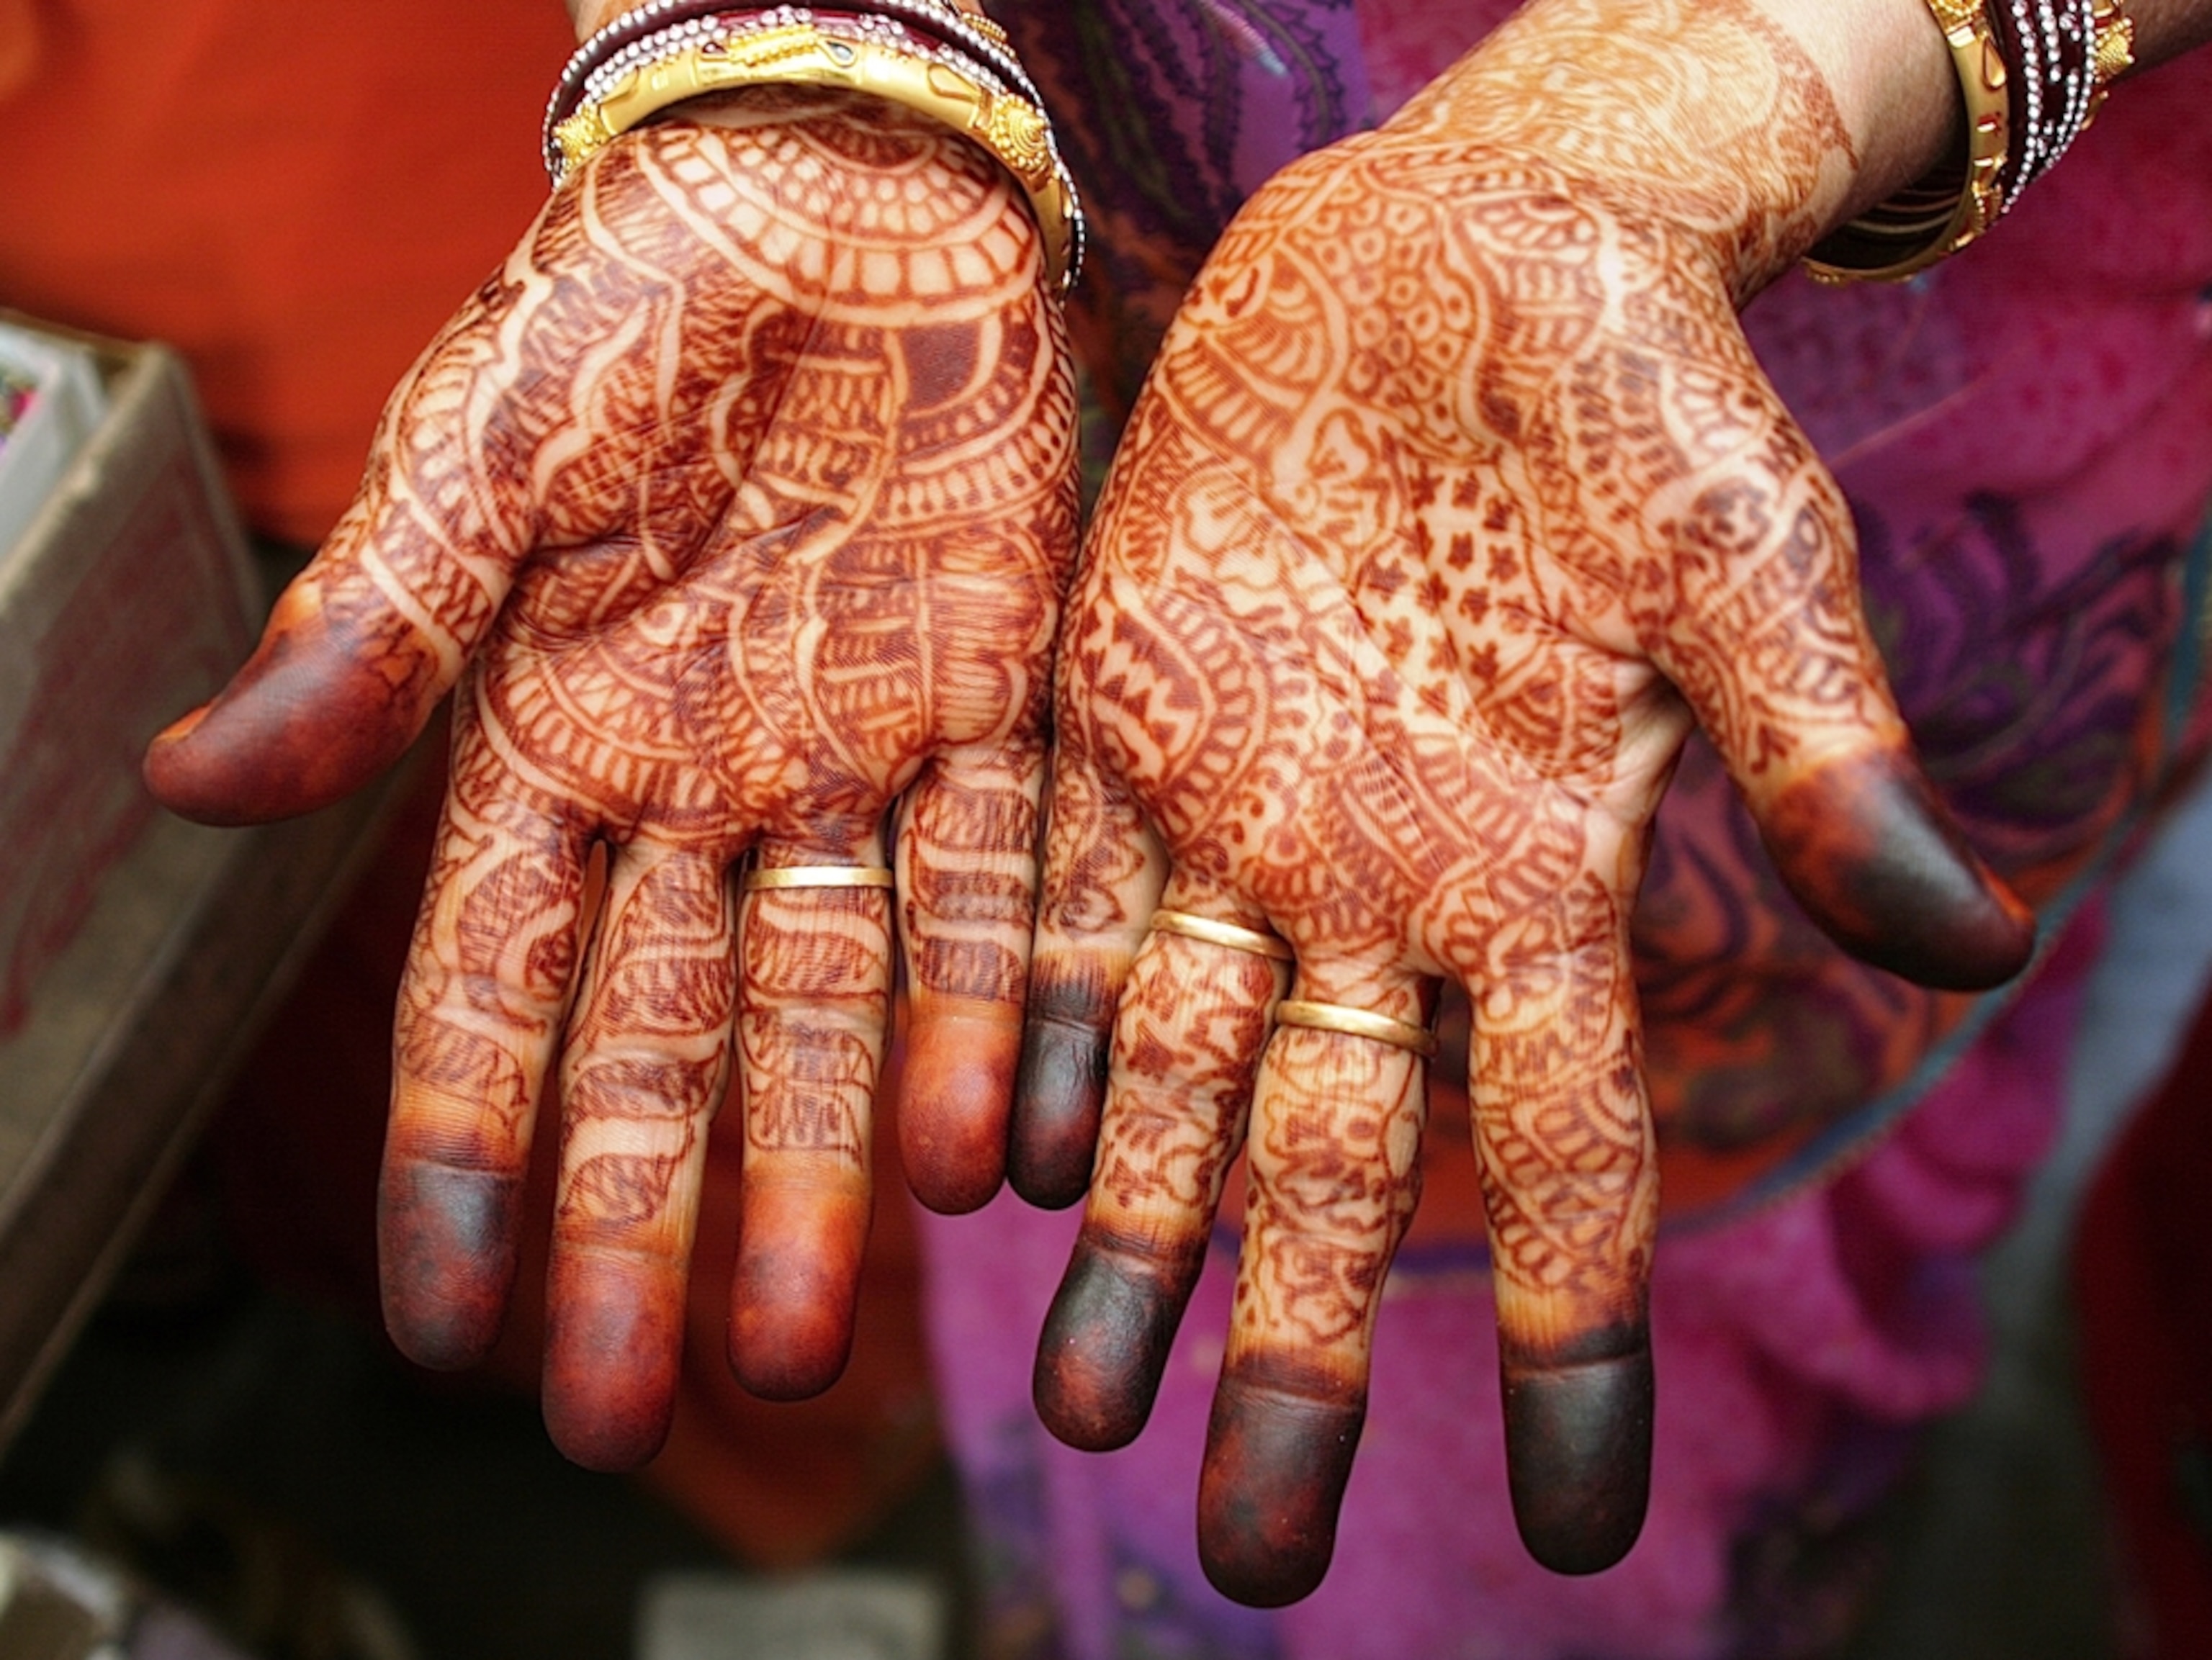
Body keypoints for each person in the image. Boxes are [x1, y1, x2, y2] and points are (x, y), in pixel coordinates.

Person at [20, 0, 2212, 1654]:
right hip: (1051, 516)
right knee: (1056, 1135)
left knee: (1594, 1394)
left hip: (1868, 500)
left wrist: (1718, 81)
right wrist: (815, 55)